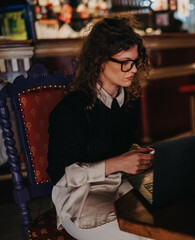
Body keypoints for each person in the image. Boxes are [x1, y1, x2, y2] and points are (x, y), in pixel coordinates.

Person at [47, 16, 153, 240]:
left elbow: (117, 145)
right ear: (99, 60)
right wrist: (118, 163)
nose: (133, 69)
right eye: (125, 61)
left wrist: (139, 156)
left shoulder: (129, 101)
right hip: (79, 197)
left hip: (118, 184)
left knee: (165, 217)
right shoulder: (72, 109)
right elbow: (60, 174)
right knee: (143, 236)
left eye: (136, 60)